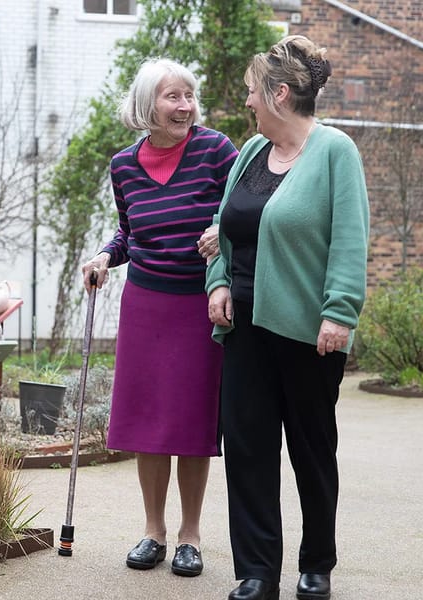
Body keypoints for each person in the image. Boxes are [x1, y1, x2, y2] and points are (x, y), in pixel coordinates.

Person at [205, 35, 370, 600]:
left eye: (253, 91)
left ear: (279, 94)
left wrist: (339, 312)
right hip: (244, 328)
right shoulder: (252, 151)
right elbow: (224, 228)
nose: (247, 100)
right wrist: (218, 281)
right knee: (248, 449)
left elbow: (350, 238)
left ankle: (317, 562)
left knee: (311, 450)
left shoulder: (335, 151)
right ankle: (256, 573)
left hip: (307, 332)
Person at [81, 58, 237, 577]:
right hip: (146, 305)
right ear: (148, 105)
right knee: (148, 422)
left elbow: (244, 210)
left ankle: (191, 535)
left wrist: (223, 233)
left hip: (199, 302)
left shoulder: (216, 150)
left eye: (189, 96)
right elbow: (129, 232)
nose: (185, 106)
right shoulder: (123, 165)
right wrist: (105, 256)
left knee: (191, 420)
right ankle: (154, 532)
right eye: (174, 96)